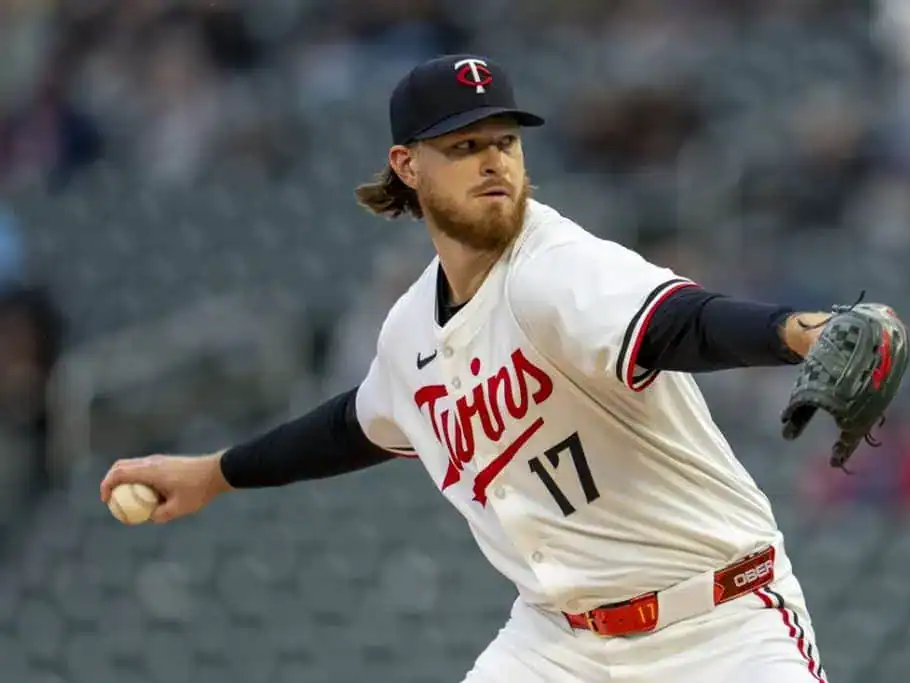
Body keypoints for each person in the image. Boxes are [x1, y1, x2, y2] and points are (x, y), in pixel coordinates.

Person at [101, 54, 838, 682]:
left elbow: (684, 323)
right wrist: (213, 472)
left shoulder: (555, 267)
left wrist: (796, 332)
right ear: (407, 166)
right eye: (463, 145)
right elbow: (350, 426)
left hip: (718, 625)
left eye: (505, 142)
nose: (493, 160)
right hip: (559, 644)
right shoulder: (410, 329)